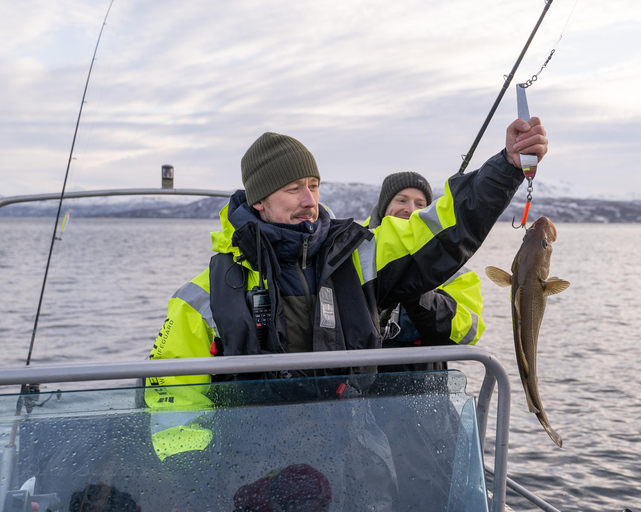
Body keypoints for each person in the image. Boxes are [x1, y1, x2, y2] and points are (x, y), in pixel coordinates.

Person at [144, 118, 548, 463]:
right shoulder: (202, 297)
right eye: (293, 189)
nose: (309, 200)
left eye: (314, 185)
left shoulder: (356, 255)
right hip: (254, 473)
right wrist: (200, 477)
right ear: (259, 201)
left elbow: (442, 226)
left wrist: (507, 167)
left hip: (355, 468)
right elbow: (173, 402)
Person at [363, 171, 485, 372]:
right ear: (384, 205)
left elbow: (468, 332)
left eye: (420, 204)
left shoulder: (455, 270)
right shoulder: (354, 250)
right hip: (359, 381)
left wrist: (420, 298)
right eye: (402, 200)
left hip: (426, 383)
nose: (410, 210)